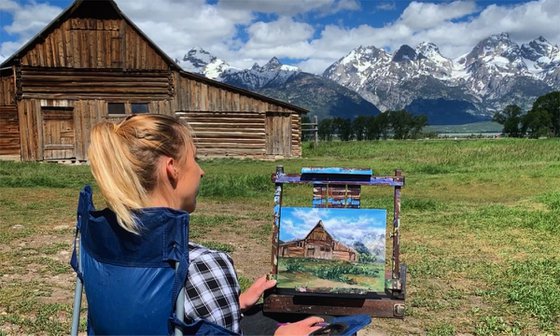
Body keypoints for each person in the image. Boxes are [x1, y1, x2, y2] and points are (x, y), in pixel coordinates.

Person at [87, 113, 324, 335]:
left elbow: (145, 315)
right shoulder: (200, 264)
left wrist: (234, 303)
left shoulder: (100, 247)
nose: (201, 171)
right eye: (194, 158)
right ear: (173, 169)